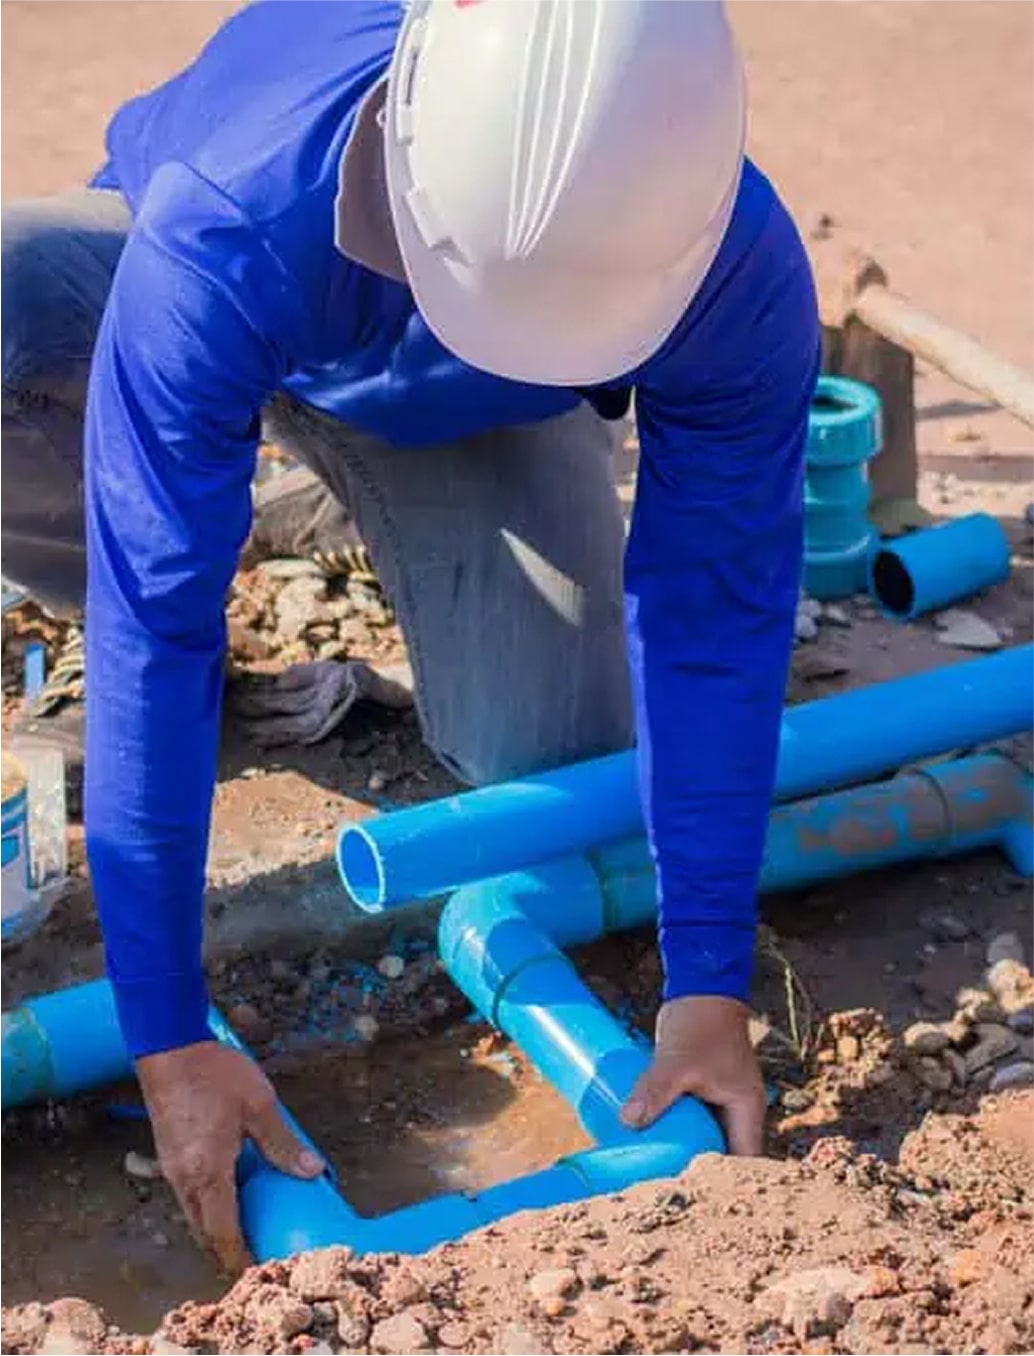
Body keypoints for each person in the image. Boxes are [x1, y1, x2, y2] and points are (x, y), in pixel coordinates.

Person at [1, 0, 819, 1272]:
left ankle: (296, 497)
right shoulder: (234, 210)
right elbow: (152, 629)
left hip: (470, 403)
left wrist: (704, 979)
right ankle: (201, 474)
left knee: (552, 748)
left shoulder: (726, 255)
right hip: (215, 294)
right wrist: (163, 1033)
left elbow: (715, 605)